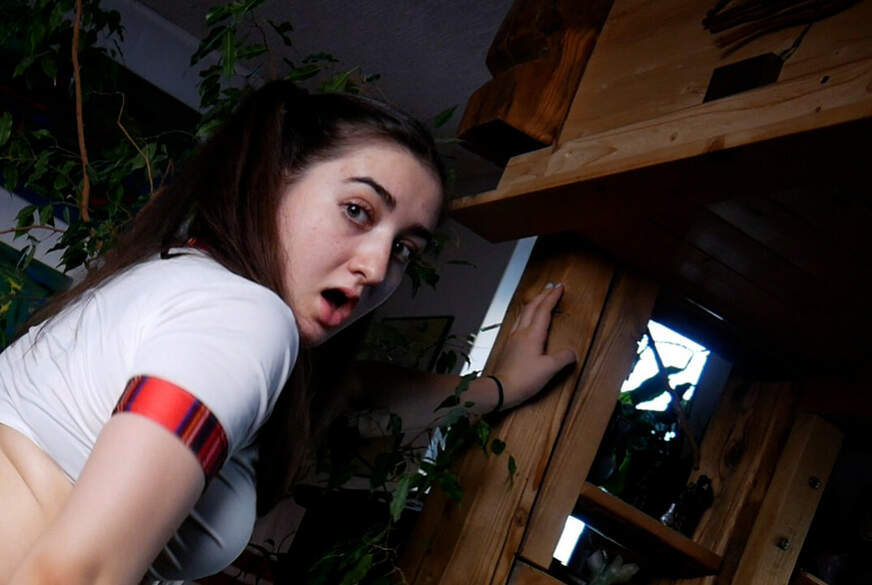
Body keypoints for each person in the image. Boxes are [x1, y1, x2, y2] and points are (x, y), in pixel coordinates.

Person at [0, 80, 576, 585]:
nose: (377, 267)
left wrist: (501, 387)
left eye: (404, 248)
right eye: (358, 210)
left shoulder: (178, 281)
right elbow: (74, 576)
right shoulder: (242, 317)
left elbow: (355, 391)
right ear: (272, 183)